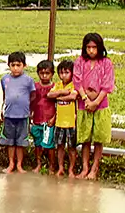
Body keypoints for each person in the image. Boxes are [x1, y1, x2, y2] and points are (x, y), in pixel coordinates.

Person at [74, 33, 115, 180]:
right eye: (88, 47)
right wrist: (85, 99)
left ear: (99, 48)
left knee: (98, 138)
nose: (91, 50)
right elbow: (77, 81)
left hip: (101, 105)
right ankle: (85, 168)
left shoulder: (106, 63)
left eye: (94, 47)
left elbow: (107, 84)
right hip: (83, 104)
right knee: (85, 138)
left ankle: (94, 168)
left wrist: (96, 102)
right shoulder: (80, 62)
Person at [0, 52, 35, 173]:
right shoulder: (5, 79)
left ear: (24, 65)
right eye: (13, 65)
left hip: (23, 116)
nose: (15, 68)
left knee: (20, 142)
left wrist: (28, 108)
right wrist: (1, 108)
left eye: (18, 65)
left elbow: (33, 95)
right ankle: (11, 164)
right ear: (8, 65)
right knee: (10, 142)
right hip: (9, 115)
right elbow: (3, 95)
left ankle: (19, 165)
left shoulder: (28, 80)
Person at [48, 59, 79, 177]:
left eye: (66, 72)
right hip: (59, 122)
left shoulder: (75, 85)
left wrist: (59, 97)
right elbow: (50, 95)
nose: (63, 75)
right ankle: (60, 168)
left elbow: (73, 97)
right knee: (59, 146)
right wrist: (62, 92)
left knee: (72, 148)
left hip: (71, 122)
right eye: (61, 73)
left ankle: (71, 169)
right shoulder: (58, 85)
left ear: (72, 73)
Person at [31, 60, 57, 173]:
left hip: (49, 121)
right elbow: (32, 102)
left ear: (52, 74)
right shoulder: (35, 87)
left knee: (50, 145)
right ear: (38, 73)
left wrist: (54, 118)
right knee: (37, 143)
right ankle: (39, 163)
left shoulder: (55, 88)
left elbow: (59, 106)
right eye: (42, 73)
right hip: (37, 119)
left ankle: (51, 165)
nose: (44, 76)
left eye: (47, 73)